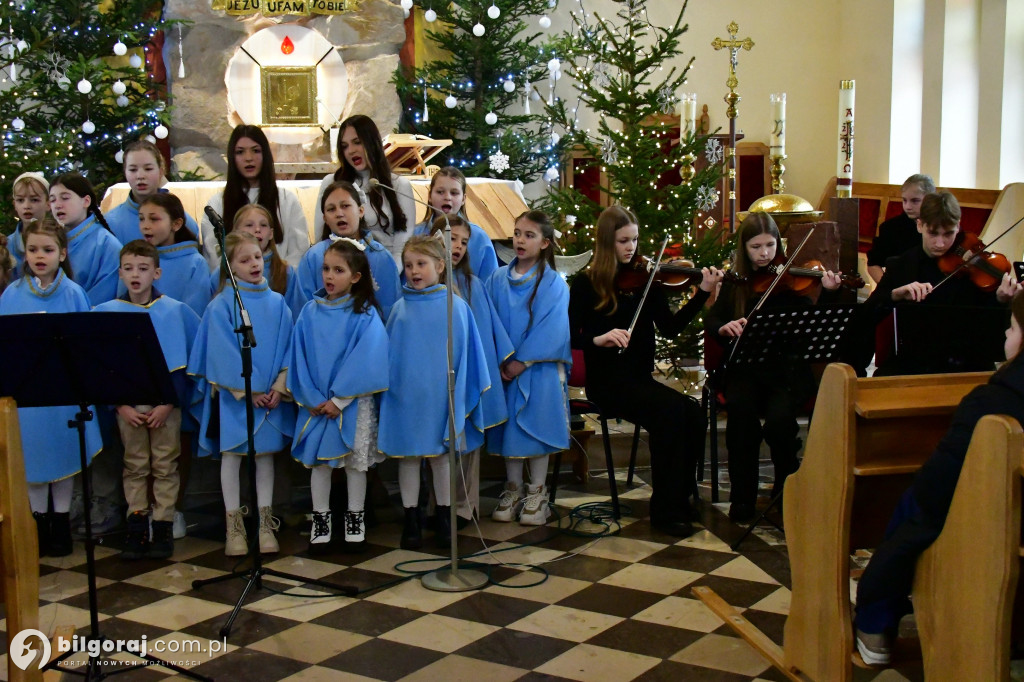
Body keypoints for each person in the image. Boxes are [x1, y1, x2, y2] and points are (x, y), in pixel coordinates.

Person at [854, 290, 1024, 667]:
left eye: (1012, 327)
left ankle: (875, 621)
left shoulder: (993, 403)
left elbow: (937, 488)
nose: (1006, 337)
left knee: (914, 504)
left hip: (992, 526)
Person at [568, 206, 724, 537]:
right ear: (606, 242)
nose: (631, 248)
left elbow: (670, 328)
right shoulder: (586, 284)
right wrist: (600, 338)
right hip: (607, 384)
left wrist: (703, 294)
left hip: (638, 380)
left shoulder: (646, 280)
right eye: (624, 240)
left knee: (693, 414)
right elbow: (569, 336)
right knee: (668, 412)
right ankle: (665, 511)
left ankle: (678, 498)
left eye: (635, 240)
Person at [705, 212, 843, 524]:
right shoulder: (736, 281)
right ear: (745, 249)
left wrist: (831, 293)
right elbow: (713, 319)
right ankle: (743, 498)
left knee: (781, 423)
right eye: (756, 247)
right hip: (745, 370)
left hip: (787, 371)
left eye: (770, 245)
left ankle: (785, 495)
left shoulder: (790, 279)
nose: (764, 254)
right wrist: (723, 327)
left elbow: (815, 320)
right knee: (741, 418)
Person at [378, 236, 490, 549]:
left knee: (441, 459)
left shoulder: (455, 307)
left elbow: (466, 356)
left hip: (441, 399)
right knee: (409, 459)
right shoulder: (399, 309)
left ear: (440, 267)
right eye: (409, 264)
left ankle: (445, 517)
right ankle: (410, 520)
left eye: (421, 264)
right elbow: (389, 355)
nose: (414, 270)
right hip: (406, 399)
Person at [188, 232, 295, 556]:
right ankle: (233, 526)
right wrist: (246, 392)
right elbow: (219, 351)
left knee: (264, 459)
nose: (254, 264)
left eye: (257, 257)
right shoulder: (222, 304)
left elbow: (290, 347)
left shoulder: (277, 303)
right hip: (237, 399)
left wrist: (278, 387)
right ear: (230, 268)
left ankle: (265, 523)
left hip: (270, 400)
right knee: (233, 457)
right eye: (244, 259)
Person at [0, 217, 101, 557]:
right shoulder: (12, 295)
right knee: (33, 459)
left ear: (62, 253)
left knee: (62, 456)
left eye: (47, 249)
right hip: (28, 394)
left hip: (64, 392)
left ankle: (60, 524)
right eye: (32, 250)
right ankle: (38, 523)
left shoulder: (74, 293)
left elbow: (86, 344)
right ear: (23, 253)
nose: (39, 256)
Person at [94, 240, 200, 560]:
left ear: (156, 272)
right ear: (121, 273)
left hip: (164, 407)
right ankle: (137, 526)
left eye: (142, 268)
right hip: (129, 408)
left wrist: (168, 404)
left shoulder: (174, 311)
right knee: (135, 465)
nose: (135, 274)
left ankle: (164, 524)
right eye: (128, 268)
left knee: (165, 465)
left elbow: (182, 367)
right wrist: (120, 406)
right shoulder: (108, 314)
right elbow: (104, 369)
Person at [287, 239, 389, 549]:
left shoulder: (365, 313)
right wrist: (314, 398)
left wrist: (340, 399)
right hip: (316, 403)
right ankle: (321, 517)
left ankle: (354, 516)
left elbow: (368, 357)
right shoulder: (309, 312)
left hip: (351, 404)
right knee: (320, 463)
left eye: (339, 270)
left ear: (356, 277)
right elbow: (298, 357)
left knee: (355, 464)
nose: (329, 276)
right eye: (326, 269)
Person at [861, 191, 1020, 376]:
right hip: (914, 363)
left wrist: (1001, 302)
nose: (940, 243)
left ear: (959, 226)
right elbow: (867, 314)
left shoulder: (976, 270)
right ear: (920, 225)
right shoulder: (901, 265)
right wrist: (894, 295)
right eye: (933, 233)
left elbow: (995, 342)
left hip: (969, 363)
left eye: (949, 233)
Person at [485, 210, 571, 526]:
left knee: (536, 427)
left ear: (545, 243)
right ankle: (512, 489)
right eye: (517, 233)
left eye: (529, 235)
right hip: (505, 368)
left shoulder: (553, 283)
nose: (520, 240)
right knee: (510, 429)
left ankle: (537, 492)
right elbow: (490, 320)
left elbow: (553, 326)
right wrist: (505, 360)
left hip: (539, 369)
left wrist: (523, 360)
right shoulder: (496, 279)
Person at [428, 215, 512, 526]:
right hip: (436, 376)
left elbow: (488, 332)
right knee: (436, 445)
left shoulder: (473, 285)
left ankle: (464, 507)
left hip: (468, 375)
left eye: (464, 241)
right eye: (452, 239)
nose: (459, 246)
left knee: (466, 444)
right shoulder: (421, 284)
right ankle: (437, 506)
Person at [200, 124, 310, 270]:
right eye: (240, 152)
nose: (249, 158)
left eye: (255, 151)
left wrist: (278, 280)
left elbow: (298, 251)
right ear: (232, 157)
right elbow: (214, 255)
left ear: (266, 154)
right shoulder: (217, 203)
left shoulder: (287, 200)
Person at [313, 115, 415, 264]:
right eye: (345, 146)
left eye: (357, 142)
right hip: (342, 266)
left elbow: (402, 244)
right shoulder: (332, 182)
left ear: (372, 143)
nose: (351, 151)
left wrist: (390, 272)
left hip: (388, 265)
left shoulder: (399, 185)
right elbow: (320, 236)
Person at [298, 181, 401, 319]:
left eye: (345, 206)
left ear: (360, 211)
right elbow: (302, 309)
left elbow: (391, 310)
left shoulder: (380, 256)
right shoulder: (314, 257)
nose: (339, 213)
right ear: (325, 219)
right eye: (331, 209)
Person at [105, 139, 201, 246]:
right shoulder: (111, 223)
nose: (140, 176)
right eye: (133, 170)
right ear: (125, 173)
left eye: (148, 169)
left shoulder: (183, 222)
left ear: (160, 172)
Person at [49, 172, 123, 306]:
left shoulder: (107, 244)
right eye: (52, 200)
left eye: (65, 198)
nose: (57, 205)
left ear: (86, 201)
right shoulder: (50, 240)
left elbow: (104, 298)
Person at [414, 167, 499, 280]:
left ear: (463, 199)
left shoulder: (479, 237)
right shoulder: (415, 234)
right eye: (440, 192)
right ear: (429, 196)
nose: (447, 197)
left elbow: (491, 283)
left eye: (454, 193)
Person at [136, 193, 213, 316]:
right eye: (141, 219)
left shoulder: (195, 263)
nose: (145, 226)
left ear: (176, 224)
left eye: (154, 219)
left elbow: (195, 315)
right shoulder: (136, 259)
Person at [231, 204, 306, 320]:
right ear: (236, 232)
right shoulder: (225, 272)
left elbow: (296, 315)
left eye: (263, 225)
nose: (257, 230)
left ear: (271, 233)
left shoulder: (285, 272)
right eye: (249, 225)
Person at [865, 174, 935, 286]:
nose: (907, 206)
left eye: (915, 201)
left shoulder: (941, 226)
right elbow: (873, 264)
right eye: (904, 200)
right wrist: (890, 288)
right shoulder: (891, 228)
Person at [8, 171, 50, 277]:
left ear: (48, 204)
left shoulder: (61, 240)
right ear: (15, 205)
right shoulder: (8, 245)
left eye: (34, 200)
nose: (26, 206)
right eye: (20, 200)